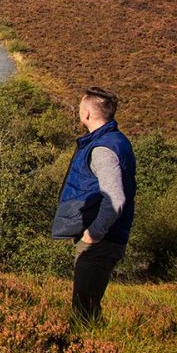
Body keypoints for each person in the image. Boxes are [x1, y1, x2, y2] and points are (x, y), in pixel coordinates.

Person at [52, 86, 136, 326]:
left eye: (80, 107)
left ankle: (89, 352)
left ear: (87, 113)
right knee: (88, 304)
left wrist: (93, 234)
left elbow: (115, 199)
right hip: (106, 236)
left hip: (101, 240)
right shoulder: (115, 141)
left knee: (83, 310)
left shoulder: (102, 148)